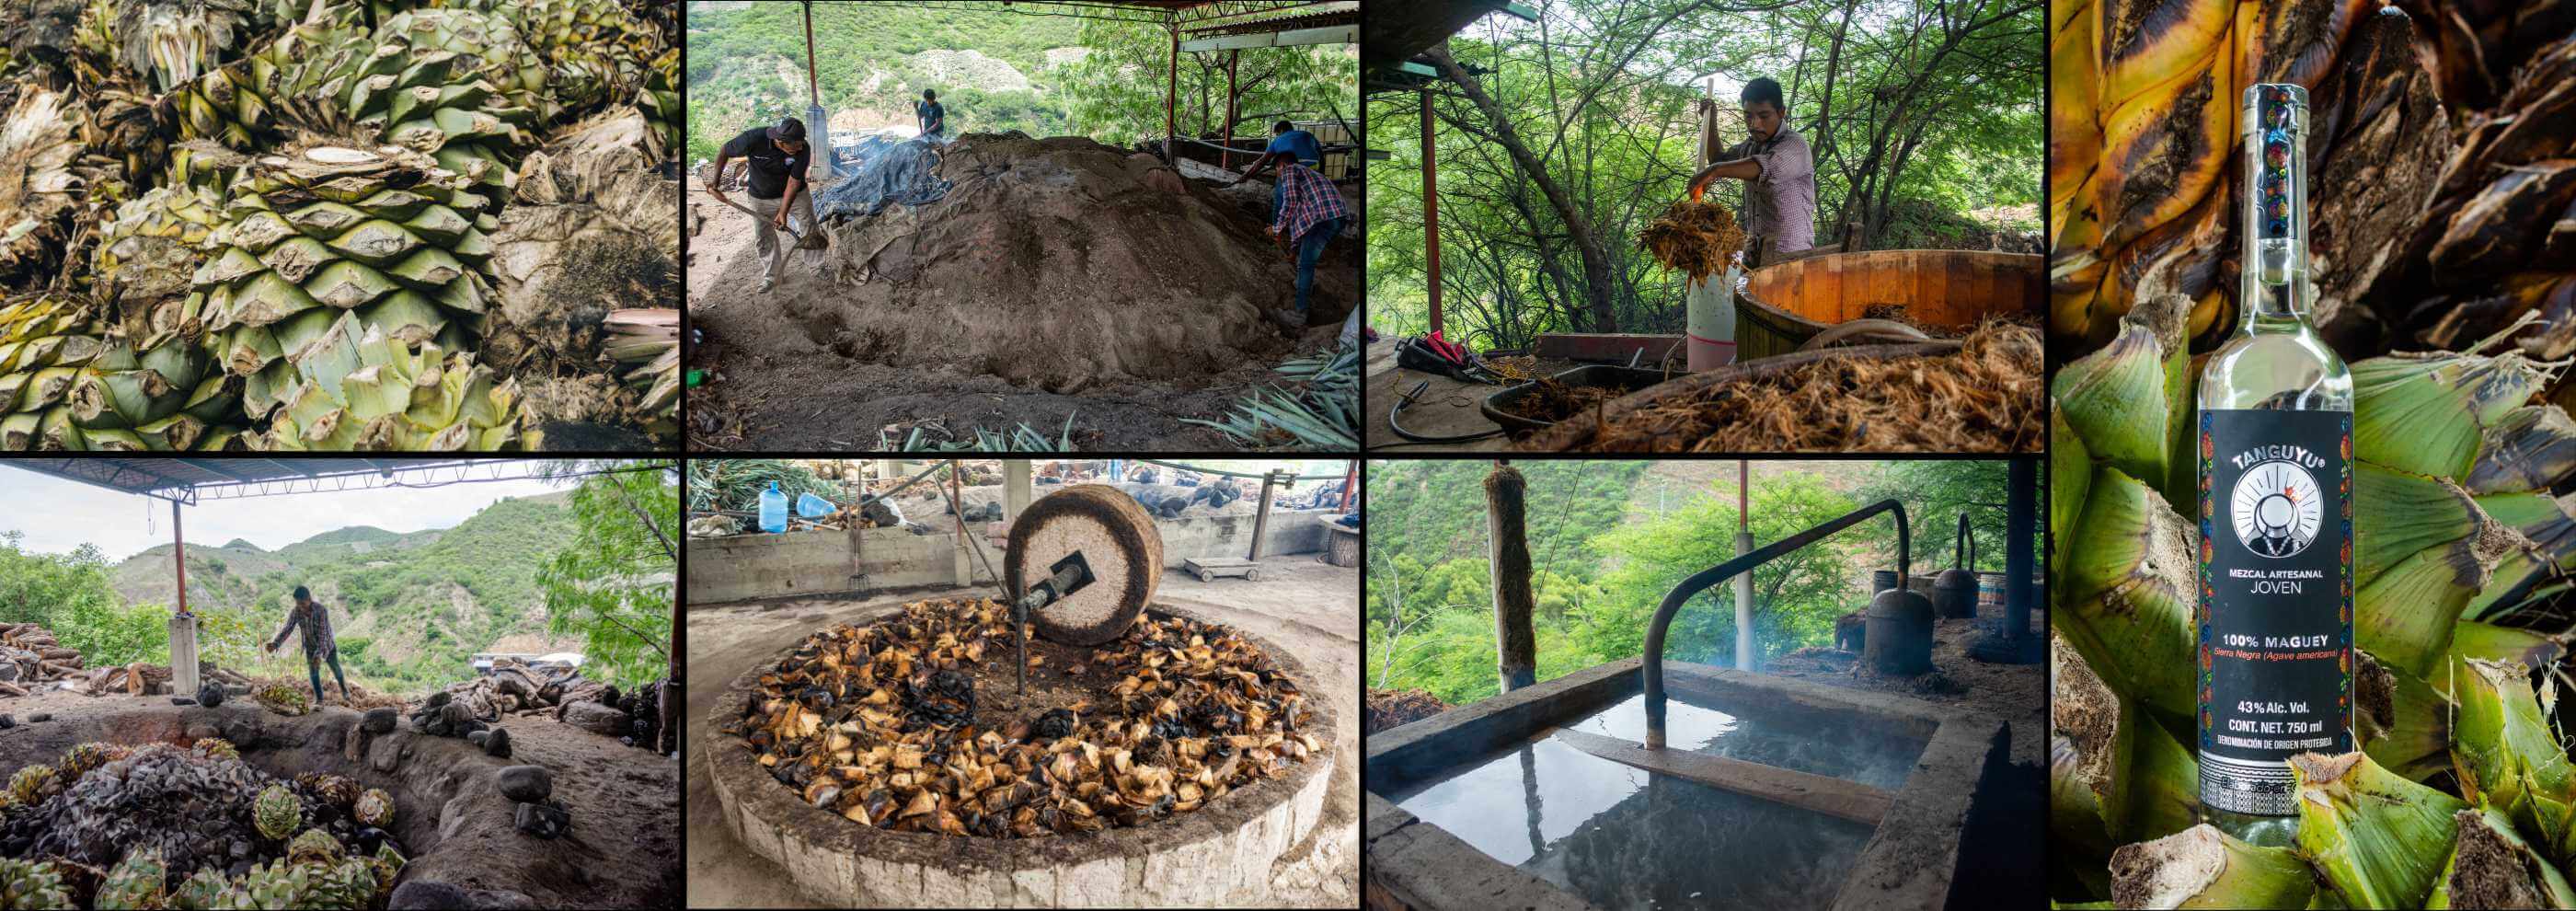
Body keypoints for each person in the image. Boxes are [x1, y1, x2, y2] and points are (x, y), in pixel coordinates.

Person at [1685, 77, 1815, 268]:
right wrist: (1711, 119)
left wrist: (1714, 171)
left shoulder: (1795, 145)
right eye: (1748, 116)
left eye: (1763, 116)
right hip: (1755, 253)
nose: (1754, 124)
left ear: (1781, 113)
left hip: (1791, 255)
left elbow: (1763, 168)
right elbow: (1719, 160)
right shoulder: (1750, 147)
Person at [708, 116, 816, 294]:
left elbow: (793, 183)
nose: (800, 147)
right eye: (795, 145)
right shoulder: (753, 139)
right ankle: (773, 276)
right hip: (761, 197)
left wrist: (783, 212)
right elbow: (724, 151)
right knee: (763, 236)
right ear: (781, 141)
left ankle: (817, 268)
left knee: (810, 225)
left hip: (796, 195)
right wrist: (715, 183)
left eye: (801, 143)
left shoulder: (803, 149)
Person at [1267, 149, 1350, 330]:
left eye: (1276, 170)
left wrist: (1276, 228)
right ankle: (1304, 284)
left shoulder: (1290, 170)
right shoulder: (1310, 180)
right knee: (1306, 261)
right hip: (1338, 218)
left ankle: (1299, 314)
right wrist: (1292, 252)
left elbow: (1289, 202)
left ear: (1282, 165)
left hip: (1323, 218)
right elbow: (1301, 228)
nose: (1277, 175)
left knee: (1305, 265)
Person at [264, 585, 350, 704]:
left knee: (336, 669)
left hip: (327, 645)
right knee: (314, 673)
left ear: (309, 599)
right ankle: (319, 699)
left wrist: (318, 655)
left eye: (302, 603)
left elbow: (323, 634)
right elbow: (287, 629)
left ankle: (344, 690)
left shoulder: (321, 610)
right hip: (310, 646)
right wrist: (275, 643)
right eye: (298, 603)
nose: (300, 607)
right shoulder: (296, 612)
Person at [1242, 120, 1323, 215]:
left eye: (1277, 133)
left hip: (1291, 170)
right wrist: (1321, 174)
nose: (1277, 136)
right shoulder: (1307, 134)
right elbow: (1321, 155)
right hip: (1313, 167)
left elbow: (1261, 162)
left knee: (1280, 197)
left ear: (1281, 130)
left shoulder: (1277, 140)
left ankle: (1277, 225)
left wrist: (1245, 176)